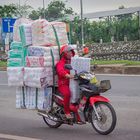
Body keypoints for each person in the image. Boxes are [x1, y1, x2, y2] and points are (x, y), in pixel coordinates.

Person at [56, 44, 75, 119]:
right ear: (64, 54)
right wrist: (68, 75)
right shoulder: (60, 63)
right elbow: (60, 71)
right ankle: (67, 112)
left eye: (71, 52)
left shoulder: (73, 61)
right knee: (67, 94)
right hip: (64, 84)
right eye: (68, 52)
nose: (70, 53)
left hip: (74, 83)